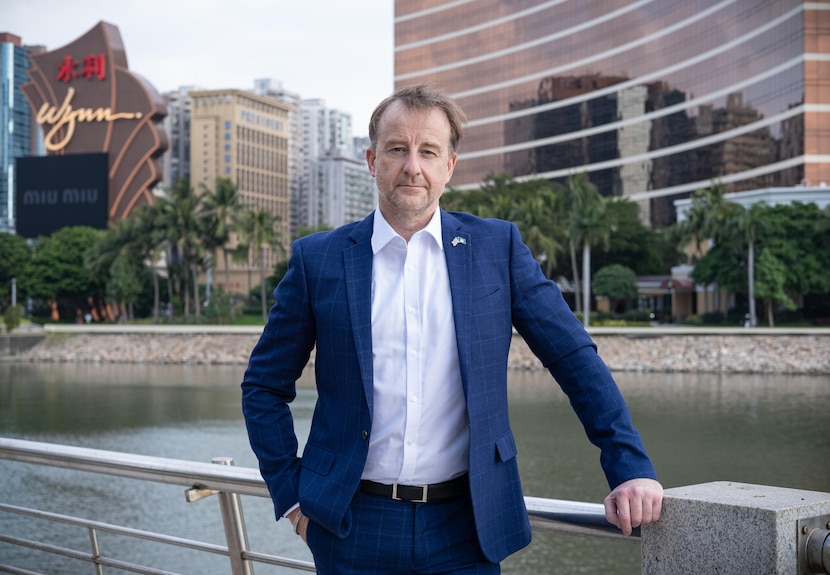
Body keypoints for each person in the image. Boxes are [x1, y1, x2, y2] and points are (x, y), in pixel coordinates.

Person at [241, 84, 663, 574]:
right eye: (397, 149)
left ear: (450, 167)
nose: (412, 166)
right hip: (350, 525)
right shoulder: (319, 259)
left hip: (467, 527)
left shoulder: (497, 248)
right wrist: (293, 500)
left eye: (428, 151)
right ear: (372, 160)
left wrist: (629, 466)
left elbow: (572, 357)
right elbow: (264, 387)